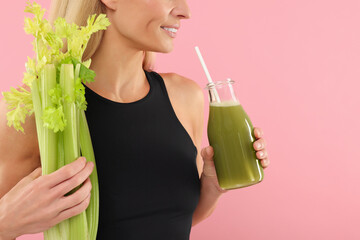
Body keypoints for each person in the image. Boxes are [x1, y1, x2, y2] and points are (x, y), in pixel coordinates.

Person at [0, 0, 270, 239]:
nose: (185, 11)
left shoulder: (186, 97)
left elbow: (172, 220)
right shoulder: (37, 109)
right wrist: (5, 224)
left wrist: (211, 187)